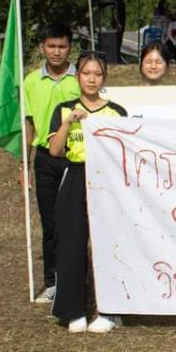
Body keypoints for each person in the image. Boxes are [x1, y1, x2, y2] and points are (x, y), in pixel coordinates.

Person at [48, 51, 128, 333]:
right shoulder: (64, 109)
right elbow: (55, 150)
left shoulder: (116, 112)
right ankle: (74, 311)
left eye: (97, 74)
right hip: (76, 175)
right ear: (77, 76)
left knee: (109, 243)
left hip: (106, 180)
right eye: (86, 73)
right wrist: (68, 122)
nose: (92, 79)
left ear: (104, 78)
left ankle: (111, 311)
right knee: (71, 243)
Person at [22, 23, 80, 303]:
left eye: (62, 46)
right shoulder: (31, 81)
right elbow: (28, 124)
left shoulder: (81, 78)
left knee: (76, 221)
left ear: (70, 48)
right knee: (51, 224)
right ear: (42, 47)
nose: (57, 52)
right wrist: (24, 165)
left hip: (75, 157)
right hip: (45, 158)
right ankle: (52, 281)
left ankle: (78, 279)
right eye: (51, 46)